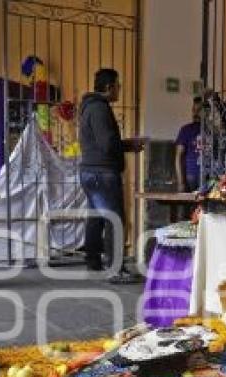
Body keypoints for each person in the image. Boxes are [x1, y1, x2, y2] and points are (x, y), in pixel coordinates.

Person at [79, 68, 144, 282]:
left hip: (91, 172)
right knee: (115, 219)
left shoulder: (90, 107)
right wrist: (128, 145)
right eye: (118, 86)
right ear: (109, 87)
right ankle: (116, 269)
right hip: (102, 172)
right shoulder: (99, 109)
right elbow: (107, 143)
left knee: (96, 217)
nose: (119, 90)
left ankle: (93, 260)